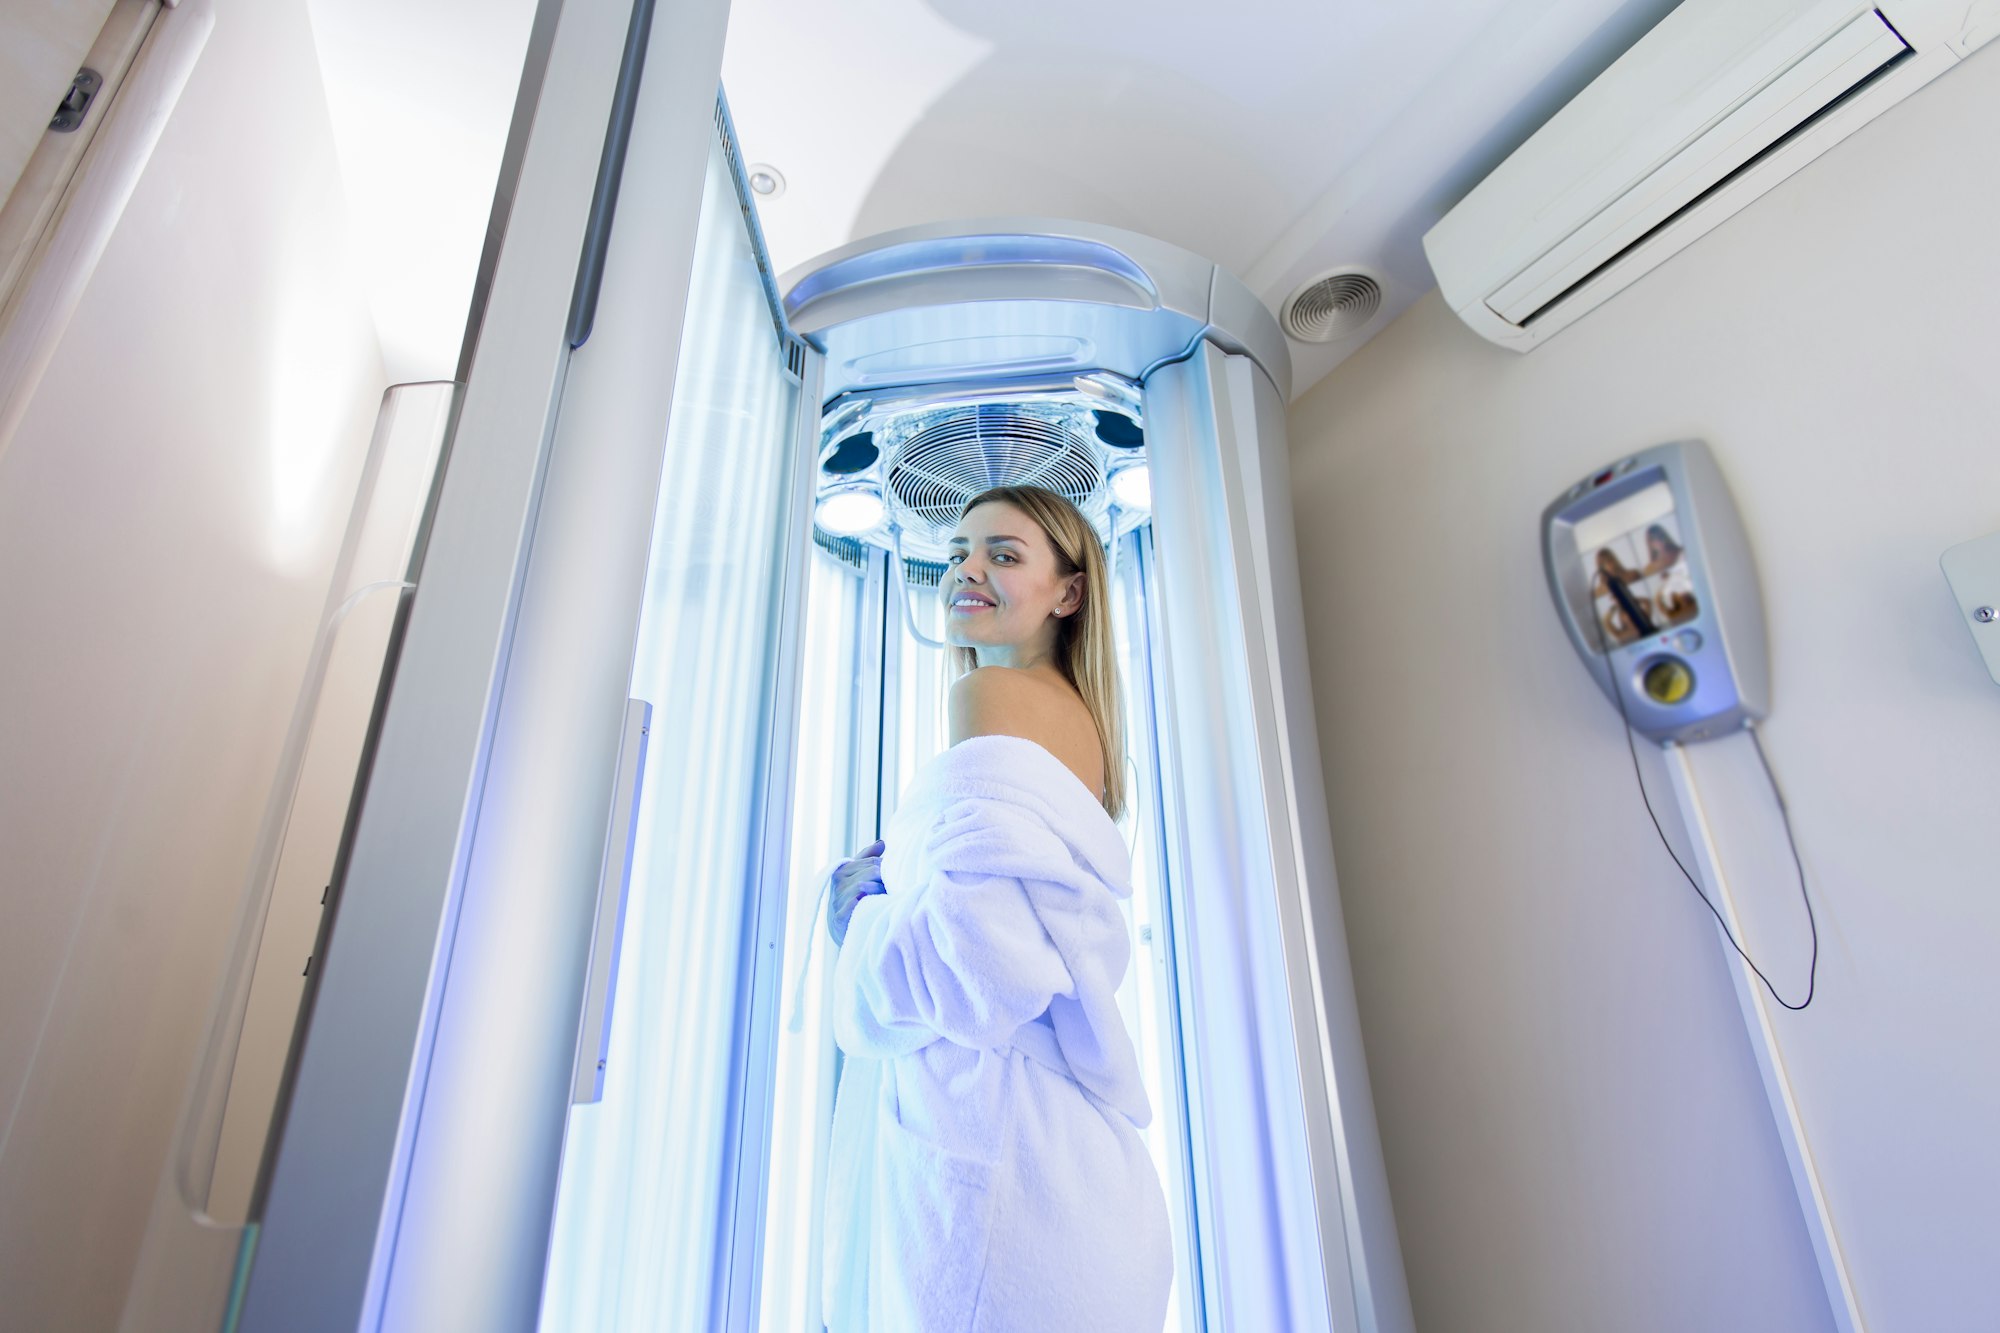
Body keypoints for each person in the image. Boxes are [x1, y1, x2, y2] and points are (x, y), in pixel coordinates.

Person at [819, 484, 1173, 1332]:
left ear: (1069, 592)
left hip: (1000, 1196)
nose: (964, 570)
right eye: (956, 553)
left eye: (1002, 555)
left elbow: (976, 968)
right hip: (1060, 1186)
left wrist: (860, 920)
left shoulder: (989, 698)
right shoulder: (1080, 729)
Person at [1590, 545, 1655, 645]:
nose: (1607, 565)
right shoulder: (1598, 591)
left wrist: (1632, 600)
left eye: (1609, 561)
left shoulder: (1632, 574)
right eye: (1603, 564)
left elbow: (1648, 602)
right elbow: (1607, 621)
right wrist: (1615, 606)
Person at [1639, 523, 1698, 625]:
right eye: (1653, 539)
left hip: (1693, 603)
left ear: (1665, 536)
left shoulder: (1683, 552)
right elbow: (1656, 597)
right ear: (1650, 544)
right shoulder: (1649, 570)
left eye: (1659, 536)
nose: (1658, 541)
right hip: (1671, 611)